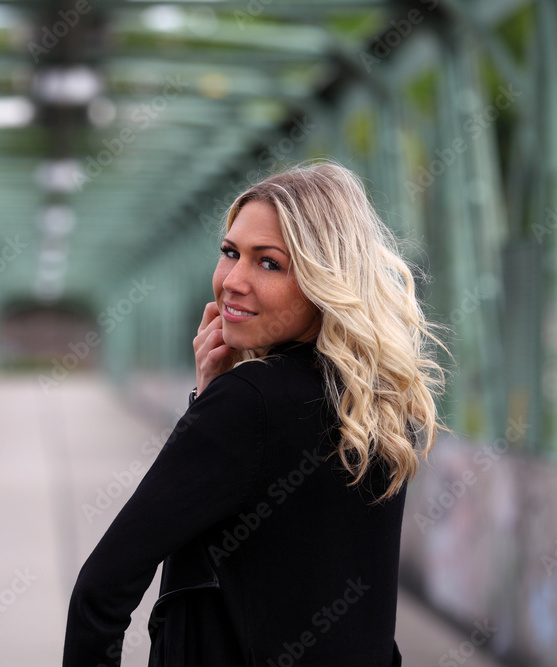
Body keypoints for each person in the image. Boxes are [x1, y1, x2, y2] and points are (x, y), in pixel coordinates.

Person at [62, 159, 450, 666]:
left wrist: (211, 410)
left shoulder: (249, 403)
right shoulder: (380, 405)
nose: (232, 281)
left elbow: (99, 594)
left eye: (269, 262)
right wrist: (207, 404)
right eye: (230, 253)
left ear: (323, 278)